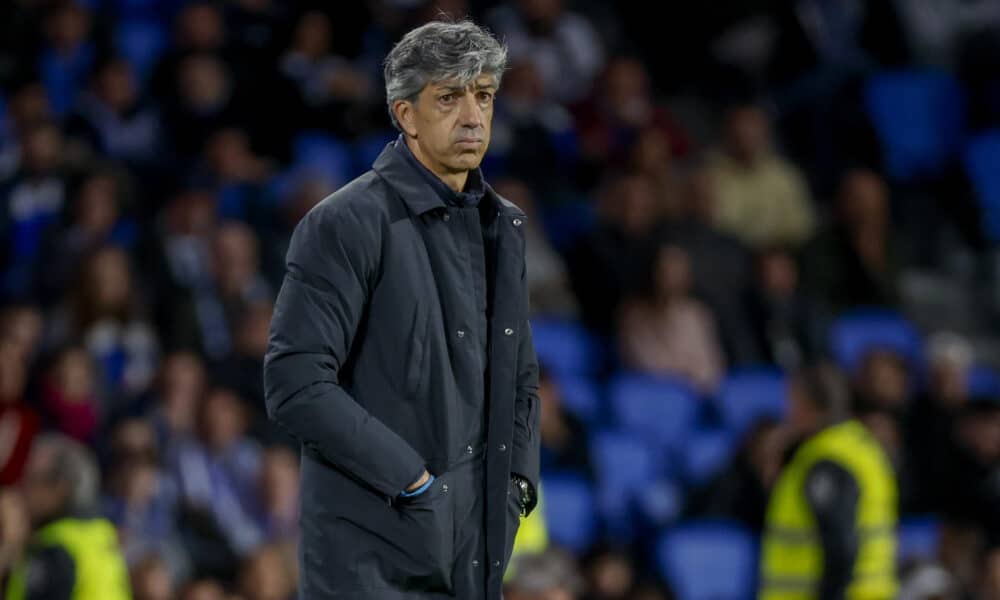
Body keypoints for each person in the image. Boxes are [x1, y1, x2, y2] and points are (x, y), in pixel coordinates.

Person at [264, 19, 540, 600]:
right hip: (369, 567)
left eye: (483, 95)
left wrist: (516, 485)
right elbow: (295, 384)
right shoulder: (344, 224)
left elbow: (519, 379)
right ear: (405, 114)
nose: (472, 116)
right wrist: (417, 485)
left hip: (475, 556)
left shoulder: (504, 227)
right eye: (449, 97)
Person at [760, 364, 898, 599]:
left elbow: (841, 548)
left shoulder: (827, 461)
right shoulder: (860, 447)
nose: (788, 411)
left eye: (792, 400)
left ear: (807, 403)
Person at [2, 433, 132, 599]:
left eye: (31, 480)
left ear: (59, 488)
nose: (22, 489)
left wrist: (7, 546)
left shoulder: (55, 548)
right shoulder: (101, 534)